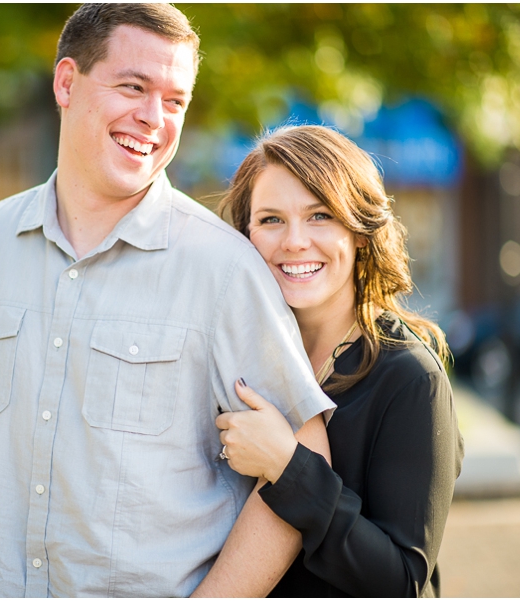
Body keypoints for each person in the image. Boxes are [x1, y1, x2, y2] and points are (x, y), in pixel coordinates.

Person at [0, 4, 334, 598]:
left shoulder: (225, 270)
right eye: (133, 86)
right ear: (66, 83)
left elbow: (301, 459)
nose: (154, 118)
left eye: (175, 100)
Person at [194, 125, 464, 597]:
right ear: (244, 237)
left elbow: (401, 582)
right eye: (271, 220)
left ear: (360, 233)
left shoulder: (410, 380)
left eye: (319, 216)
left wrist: (288, 467)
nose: (295, 242)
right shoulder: (235, 361)